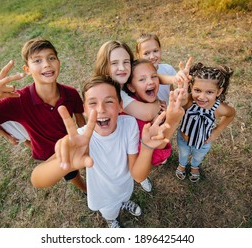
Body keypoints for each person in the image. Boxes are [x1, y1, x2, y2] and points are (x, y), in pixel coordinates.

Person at [31, 75, 186, 228]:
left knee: (124, 197)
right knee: (110, 212)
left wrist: (146, 147)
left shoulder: (129, 124)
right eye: (93, 103)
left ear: (120, 105)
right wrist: (65, 163)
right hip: (103, 196)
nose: (101, 109)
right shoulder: (81, 139)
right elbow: (37, 180)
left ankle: (124, 203)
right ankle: (112, 219)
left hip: (125, 186)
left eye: (109, 101)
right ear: (84, 109)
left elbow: (138, 175)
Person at [0, 37, 87, 193]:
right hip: (50, 154)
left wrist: (86, 143)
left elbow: (81, 121)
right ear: (27, 69)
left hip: (75, 145)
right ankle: (86, 190)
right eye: (37, 61)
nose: (47, 64)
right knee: (73, 174)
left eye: (51, 58)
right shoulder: (17, 101)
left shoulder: (71, 93)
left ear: (58, 62)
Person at [93, 40, 190, 192]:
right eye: (114, 63)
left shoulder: (123, 80)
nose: (122, 67)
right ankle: (141, 176)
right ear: (104, 66)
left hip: (132, 128)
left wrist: (174, 79)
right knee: (132, 161)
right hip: (116, 136)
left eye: (126, 62)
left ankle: (142, 172)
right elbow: (147, 113)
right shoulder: (112, 90)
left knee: (144, 150)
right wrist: (159, 105)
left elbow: (149, 74)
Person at [175, 62, 236, 182]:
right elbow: (179, 100)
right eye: (197, 90)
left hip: (204, 143)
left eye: (209, 92)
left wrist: (217, 130)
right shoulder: (188, 101)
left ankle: (194, 166)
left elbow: (231, 114)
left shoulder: (219, 108)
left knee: (198, 156)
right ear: (191, 87)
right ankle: (182, 165)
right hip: (183, 139)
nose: (202, 97)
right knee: (183, 154)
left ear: (218, 92)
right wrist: (182, 87)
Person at [123, 59, 174, 166]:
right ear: (131, 87)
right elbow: (151, 159)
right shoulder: (131, 118)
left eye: (154, 76)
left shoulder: (152, 100)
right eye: (142, 79)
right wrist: (171, 121)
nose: (150, 81)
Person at [135, 33, 177, 104]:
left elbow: (171, 92)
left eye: (155, 51)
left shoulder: (168, 69)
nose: (152, 56)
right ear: (138, 55)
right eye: (146, 53)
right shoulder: (137, 75)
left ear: (160, 50)